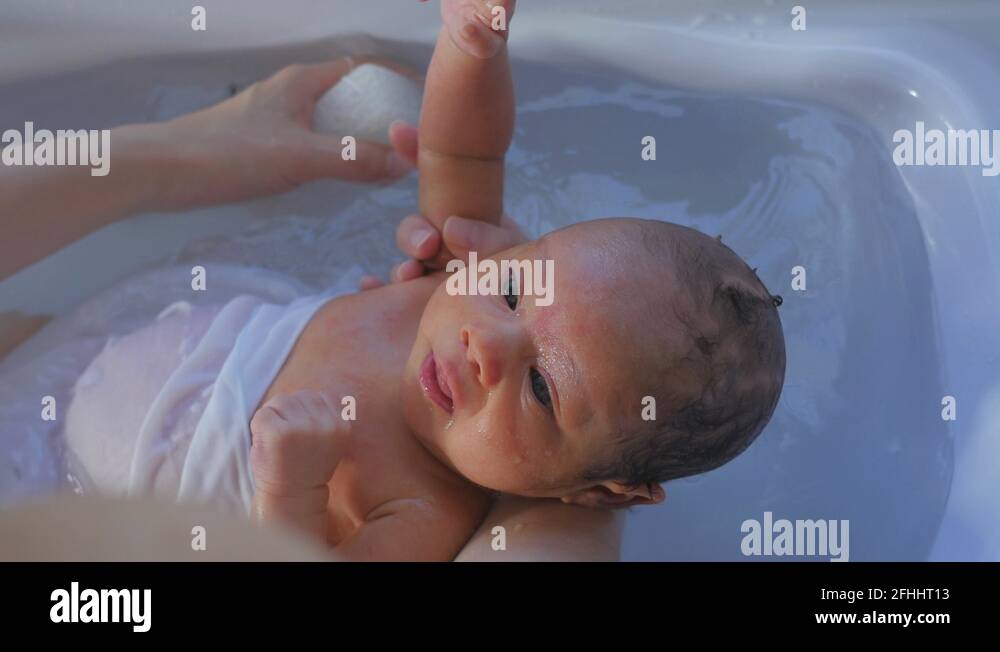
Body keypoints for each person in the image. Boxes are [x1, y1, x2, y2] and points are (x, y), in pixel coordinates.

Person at [0, 44, 622, 561]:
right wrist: (473, 45)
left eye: (542, 387)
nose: (485, 342)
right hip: (83, 348)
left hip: (66, 498)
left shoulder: (422, 509)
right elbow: (467, 155)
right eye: (515, 293)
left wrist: (289, 491)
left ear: (601, 489)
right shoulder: (458, 295)